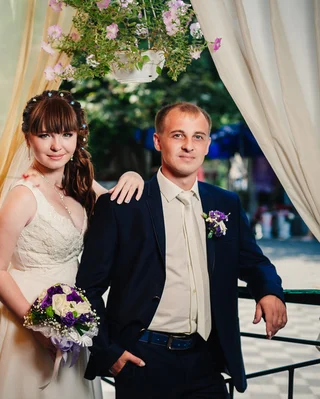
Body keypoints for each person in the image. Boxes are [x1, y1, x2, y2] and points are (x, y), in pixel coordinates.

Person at [76, 102, 288, 399]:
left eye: (198, 137)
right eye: (178, 135)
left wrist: (269, 291)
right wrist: (109, 351)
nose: (189, 146)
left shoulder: (225, 203)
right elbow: (88, 288)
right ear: (158, 140)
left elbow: (253, 261)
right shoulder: (122, 206)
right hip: (142, 360)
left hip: (206, 360)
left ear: (207, 144)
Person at [0, 90, 144, 399]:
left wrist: (134, 176)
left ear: (78, 137)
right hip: (27, 318)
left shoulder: (77, 183)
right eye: (45, 135)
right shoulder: (23, 195)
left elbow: (115, 202)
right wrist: (38, 326)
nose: (57, 146)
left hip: (74, 318)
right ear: (28, 138)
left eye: (66, 134)